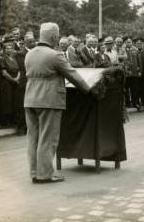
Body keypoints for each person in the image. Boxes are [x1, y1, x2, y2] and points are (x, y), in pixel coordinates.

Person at [24, 22, 90, 183]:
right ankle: (45, 174)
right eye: (58, 35)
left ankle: (34, 172)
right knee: (48, 139)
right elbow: (73, 75)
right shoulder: (55, 55)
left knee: (33, 138)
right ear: (54, 36)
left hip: (30, 99)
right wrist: (89, 89)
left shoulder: (30, 54)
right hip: (49, 100)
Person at [0, 37, 20, 128]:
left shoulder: (14, 58)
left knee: (14, 101)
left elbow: (19, 69)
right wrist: (13, 79)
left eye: (11, 48)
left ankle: (13, 120)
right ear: (4, 49)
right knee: (6, 101)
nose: (9, 50)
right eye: (7, 48)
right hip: (6, 82)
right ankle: (5, 122)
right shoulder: (2, 58)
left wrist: (17, 78)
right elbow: (4, 72)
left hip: (15, 82)